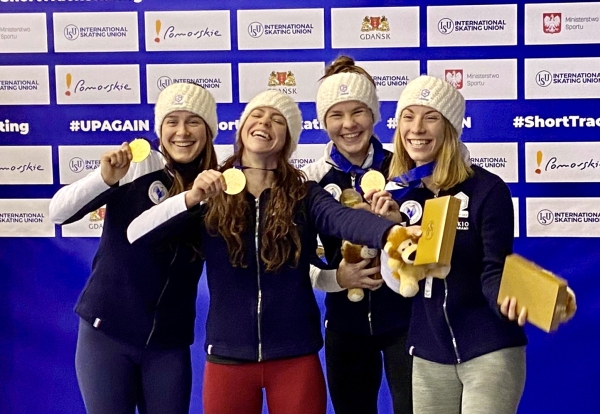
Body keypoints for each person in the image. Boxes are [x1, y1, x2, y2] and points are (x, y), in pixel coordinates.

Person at [127, 90, 408, 414]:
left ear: (287, 141)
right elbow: (138, 234)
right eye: (256, 116)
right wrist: (190, 198)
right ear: (243, 130)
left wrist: (392, 231)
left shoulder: (305, 194)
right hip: (227, 357)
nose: (264, 122)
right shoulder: (213, 192)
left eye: (277, 120)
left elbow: (343, 218)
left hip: (295, 358)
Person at [48, 82, 218, 414]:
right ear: (160, 128)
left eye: (193, 121)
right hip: (108, 332)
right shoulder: (137, 165)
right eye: (172, 121)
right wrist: (104, 177)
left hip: (168, 344)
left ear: (208, 129)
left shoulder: (215, 186)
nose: (182, 132)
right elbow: (59, 212)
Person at [302, 56, 412, 414]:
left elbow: (432, 244)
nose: (348, 125)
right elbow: (295, 261)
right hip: (345, 327)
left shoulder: (406, 168)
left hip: (406, 322)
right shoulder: (309, 180)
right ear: (323, 122)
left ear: (375, 115)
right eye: (336, 115)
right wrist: (336, 278)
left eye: (358, 112)